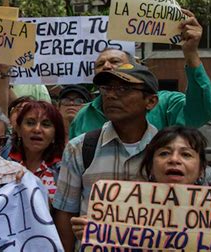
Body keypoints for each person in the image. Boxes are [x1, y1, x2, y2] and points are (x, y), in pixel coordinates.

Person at [70, 126, 211, 252]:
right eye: (164, 153)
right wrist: (94, 235)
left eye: (186, 154)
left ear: (201, 169)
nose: (174, 159)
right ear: (150, 166)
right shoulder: (114, 211)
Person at [53, 62, 159, 251]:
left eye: (124, 88)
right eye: (106, 88)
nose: (111, 95)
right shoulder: (80, 148)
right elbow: (65, 213)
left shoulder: (166, 151)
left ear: (150, 101)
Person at [69, 9, 211, 139]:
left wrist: (191, 53)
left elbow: (201, 111)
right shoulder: (84, 116)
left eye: (115, 61)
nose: (107, 66)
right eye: (100, 65)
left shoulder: (165, 104)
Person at [9, 100, 65, 201]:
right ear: (18, 130)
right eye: (30, 123)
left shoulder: (64, 169)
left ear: (55, 134)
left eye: (46, 124)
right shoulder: (4, 165)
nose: (37, 129)